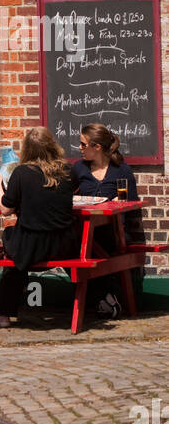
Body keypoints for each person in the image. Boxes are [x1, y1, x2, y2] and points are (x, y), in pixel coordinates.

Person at [0, 126, 80, 328]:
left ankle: (3, 313)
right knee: (17, 242)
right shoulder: (67, 170)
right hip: (65, 244)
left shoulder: (21, 173)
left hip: (32, 247)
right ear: (52, 146)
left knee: (11, 239)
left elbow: (5, 209)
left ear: (27, 149)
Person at [72, 122, 140, 319]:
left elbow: (133, 202)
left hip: (112, 231)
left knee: (96, 245)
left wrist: (121, 203)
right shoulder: (78, 169)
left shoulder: (121, 170)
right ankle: (105, 297)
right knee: (71, 245)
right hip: (83, 231)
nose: (80, 148)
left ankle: (102, 297)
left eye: (83, 144)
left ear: (97, 147)